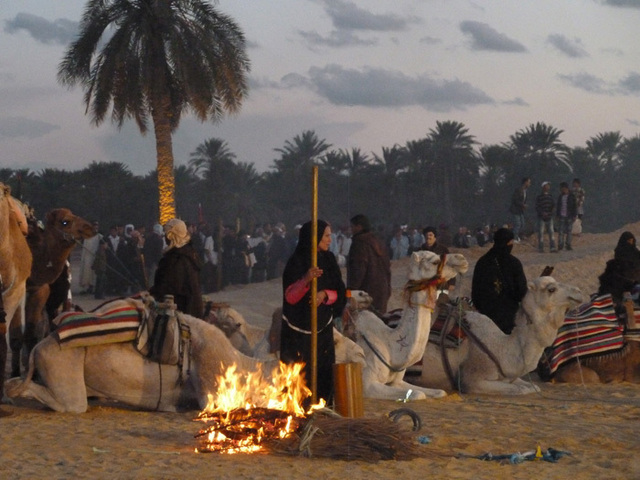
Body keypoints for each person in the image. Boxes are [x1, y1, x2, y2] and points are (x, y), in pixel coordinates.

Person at [280, 220, 346, 404]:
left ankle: (324, 412)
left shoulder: (329, 260)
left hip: (322, 330)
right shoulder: (297, 261)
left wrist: (324, 295)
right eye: (326, 236)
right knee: (299, 379)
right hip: (297, 334)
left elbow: (340, 292)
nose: (329, 240)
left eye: (329, 236)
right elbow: (290, 297)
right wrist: (306, 279)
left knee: (324, 376)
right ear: (314, 237)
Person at [471, 228, 528, 334]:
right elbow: (521, 292)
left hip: (485, 319)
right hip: (509, 318)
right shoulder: (514, 263)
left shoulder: (482, 262)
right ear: (508, 243)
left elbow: (475, 293)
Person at [150, 218, 204, 318]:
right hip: (190, 308)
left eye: (167, 234)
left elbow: (172, 286)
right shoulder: (188, 253)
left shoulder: (178, 258)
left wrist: (154, 294)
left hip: (183, 311)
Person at [347, 214, 392, 313]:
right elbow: (387, 268)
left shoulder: (359, 243)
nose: (351, 229)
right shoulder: (379, 241)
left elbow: (358, 271)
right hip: (382, 291)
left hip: (365, 294)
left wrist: (351, 291)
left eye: (352, 227)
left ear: (359, 227)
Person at [420, 226, 456, 293]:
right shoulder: (420, 250)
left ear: (435, 236)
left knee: (440, 302)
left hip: (441, 284)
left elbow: (450, 266)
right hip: (425, 285)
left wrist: (452, 282)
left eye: (430, 235)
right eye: (426, 235)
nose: (428, 237)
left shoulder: (443, 250)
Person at [535, 181, 556, 253]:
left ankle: (552, 247)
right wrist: (542, 213)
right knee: (541, 232)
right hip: (541, 217)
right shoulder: (539, 197)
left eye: (548, 186)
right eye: (547, 185)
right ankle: (541, 248)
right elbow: (537, 207)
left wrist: (550, 213)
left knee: (551, 232)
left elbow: (553, 206)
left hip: (549, 217)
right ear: (543, 187)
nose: (548, 187)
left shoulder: (550, 196)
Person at [556, 181, 577, 251]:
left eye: (562, 188)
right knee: (561, 231)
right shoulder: (560, 196)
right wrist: (557, 215)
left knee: (569, 231)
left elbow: (575, 206)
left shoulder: (572, 196)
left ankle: (568, 244)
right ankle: (560, 245)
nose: (561, 190)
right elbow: (558, 206)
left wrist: (574, 215)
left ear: (565, 188)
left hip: (569, 216)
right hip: (562, 215)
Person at [509, 177, 531, 242]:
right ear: (525, 182)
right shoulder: (518, 190)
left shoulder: (525, 192)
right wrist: (522, 204)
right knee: (517, 224)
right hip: (515, 210)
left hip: (520, 210)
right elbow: (514, 199)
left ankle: (517, 236)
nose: (530, 184)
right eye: (529, 182)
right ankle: (514, 238)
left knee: (523, 224)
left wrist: (524, 205)